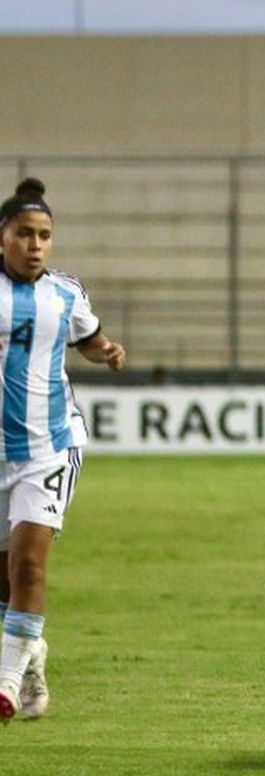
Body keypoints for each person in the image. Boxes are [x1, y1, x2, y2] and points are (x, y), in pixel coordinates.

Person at [0, 178, 128, 723]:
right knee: (5, 578)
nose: (35, 245)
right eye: (24, 234)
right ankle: (31, 657)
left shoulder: (66, 292)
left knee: (30, 566)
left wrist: (107, 351)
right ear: (2, 238)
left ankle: (3, 684)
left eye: (45, 235)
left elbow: (88, 336)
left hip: (50, 446)